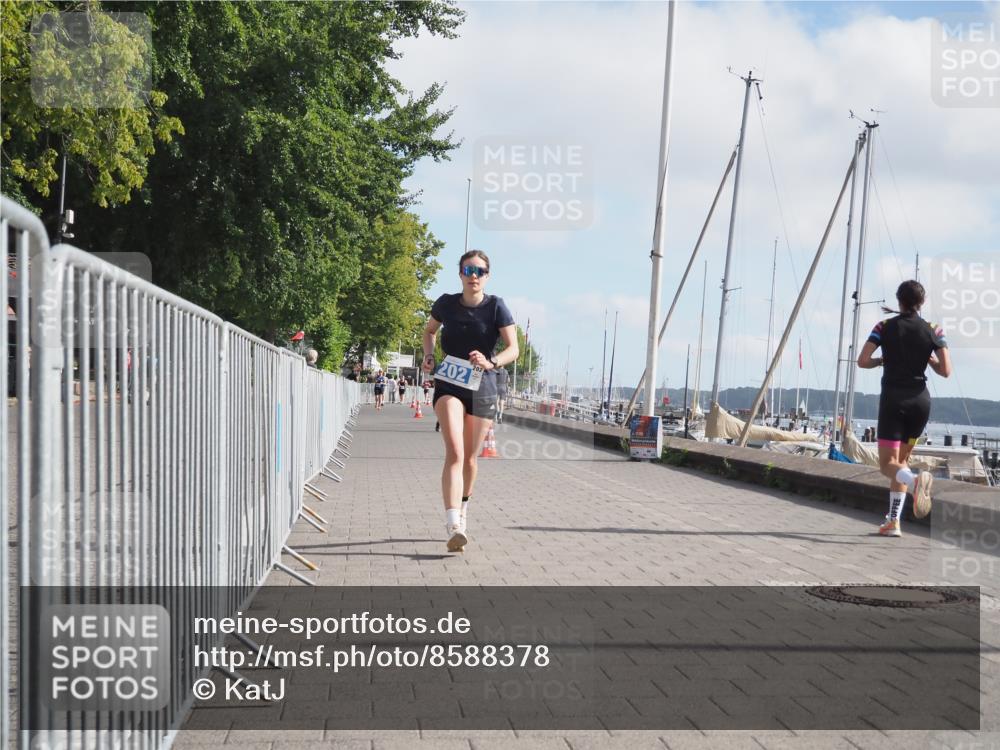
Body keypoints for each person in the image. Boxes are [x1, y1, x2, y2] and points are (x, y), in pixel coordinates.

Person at [423, 250, 517, 552]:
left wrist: (490, 361)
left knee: (470, 459)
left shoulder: (496, 307)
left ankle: (463, 509)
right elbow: (429, 331)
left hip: (484, 385)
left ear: (487, 275)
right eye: (468, 269)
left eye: (479, 270)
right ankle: (453, 523)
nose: (473, 275)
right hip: (450, 382)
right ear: (460, 273)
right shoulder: (446, 303)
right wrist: (428, 355)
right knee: (454, 451)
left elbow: (514, 349)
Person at [857, 280, 951, 537]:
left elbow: (862, 361)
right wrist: (930, 361)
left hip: (893, 402)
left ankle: (917, 481)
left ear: (899, 300)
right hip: (921, 402)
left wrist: (881, 361)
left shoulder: (884, 326)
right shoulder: (934, 330)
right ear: (922, 302)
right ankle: (893, 522)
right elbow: (945, 371)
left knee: (888, 465)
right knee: (901, 463)